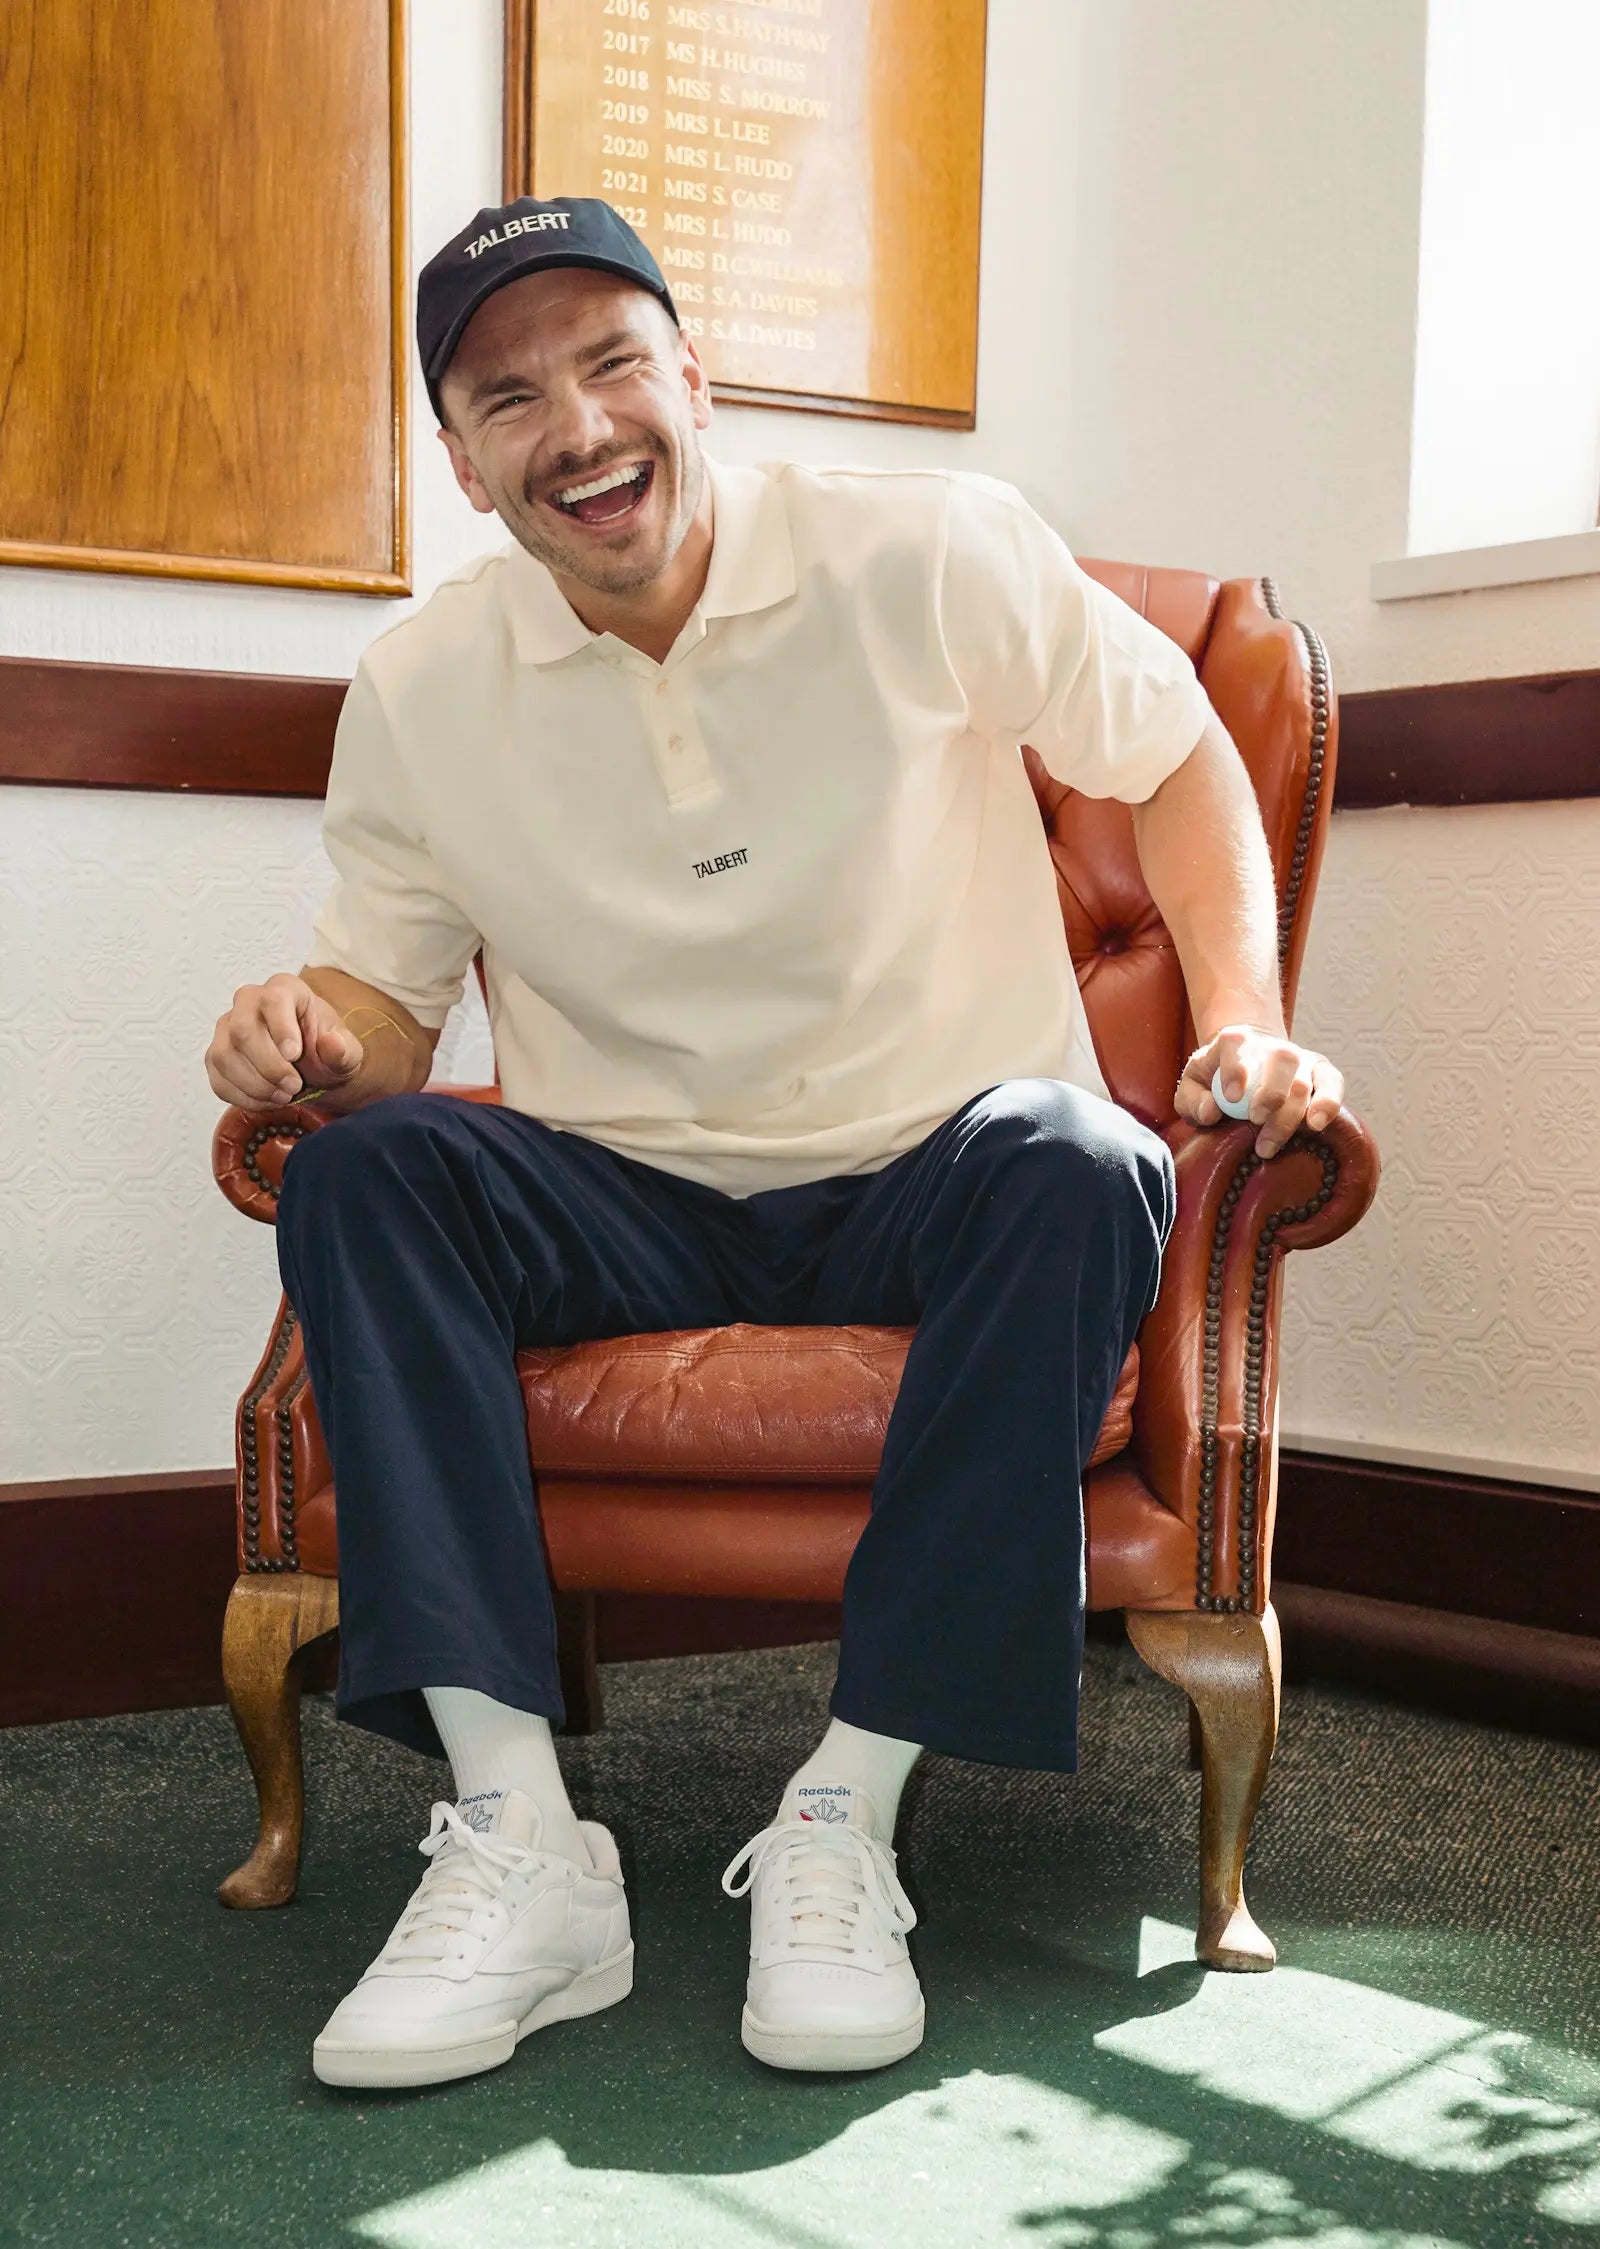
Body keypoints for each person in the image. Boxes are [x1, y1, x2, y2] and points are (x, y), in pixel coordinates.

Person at [203, 196, 1345, 2090]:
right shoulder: (418, 685)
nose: (573, 425)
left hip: (932, 1165)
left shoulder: (928, 551)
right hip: (626, 1187)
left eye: (609, 363)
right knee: (365, 1166)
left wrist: (1238, 1015)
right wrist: (307, 1038)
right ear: (462, 457)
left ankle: (845, 1808)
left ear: (693, 380)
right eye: (508, 396)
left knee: (1087, 1160)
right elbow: (388, 1019)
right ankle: (518, 1834)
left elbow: (1178, 754)